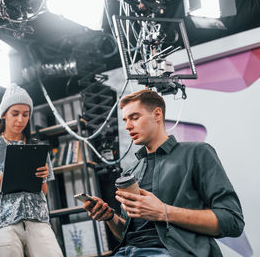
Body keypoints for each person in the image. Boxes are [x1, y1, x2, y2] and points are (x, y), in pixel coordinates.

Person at [82, 90, 244, 257]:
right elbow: (131, 234)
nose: (128, 126)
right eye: (125, 120)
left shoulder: (197, 153)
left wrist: (163, 211)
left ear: (157, 114)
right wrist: (110, 218)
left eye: (134, 117)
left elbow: (233, 221)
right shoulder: (132, 172)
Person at [0, 83, 63, 257]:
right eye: (15, 114)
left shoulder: (36, 146)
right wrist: (7, 174)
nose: (20, 120)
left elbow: (43, 191)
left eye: (25, 114)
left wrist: (42, 178)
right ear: (4, 114)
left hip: (38, 221)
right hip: (2, 225)